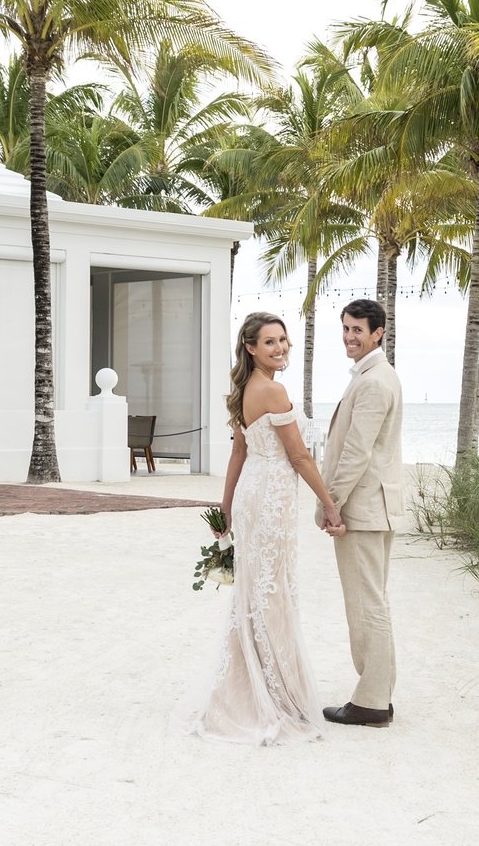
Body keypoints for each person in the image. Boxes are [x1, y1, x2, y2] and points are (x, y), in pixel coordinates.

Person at [188, 312, 344, 746]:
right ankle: (275, 696)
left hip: (253, 494)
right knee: (272, 590)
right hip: (272, 495)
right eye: (270, 342)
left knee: (258, 590)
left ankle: (256, 685)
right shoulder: (273, 391)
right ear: (251, 347)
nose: (280, 348)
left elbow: (238, 453)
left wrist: (226, 507)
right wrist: (329, 504)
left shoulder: (244, 391)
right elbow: (299, 456)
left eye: (283, 340)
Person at [316, 299, 404, 728]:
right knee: (373, 602)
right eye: (346, 328)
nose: (349, 337)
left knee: (367, 605)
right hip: (373, 506)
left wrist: (331, 503)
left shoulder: (374, 382)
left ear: (378, 333)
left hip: (364, 509)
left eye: (358, 330)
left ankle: (371, 702)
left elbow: (356, 451)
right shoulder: (374, 376)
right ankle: (378, 695)